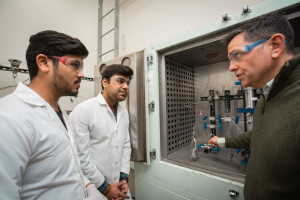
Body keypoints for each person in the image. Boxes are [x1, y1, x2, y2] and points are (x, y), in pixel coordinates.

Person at [0, 30, 105, 200]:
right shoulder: (9, 117)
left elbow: (64, 171)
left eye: (82, 67)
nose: (81, 74)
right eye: (74, 65)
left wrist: (88, 186)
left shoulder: (58, 112)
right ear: (43, 63)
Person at [208, 14, 300, 200]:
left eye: (237, 55)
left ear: (275, 46)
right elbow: (257, 136)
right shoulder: (268, 94)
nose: (231, 67)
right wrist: (221, 141)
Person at [70, 64, 133, 200]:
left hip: (119, 184)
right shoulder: (84, 111)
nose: (126, 86)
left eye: (128, 83)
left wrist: (123, 178)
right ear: (105, 82)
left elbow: (125, 146)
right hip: (94, 186)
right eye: (120, 81)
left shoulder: (124, 113)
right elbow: (80, 156)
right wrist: (106, 188)